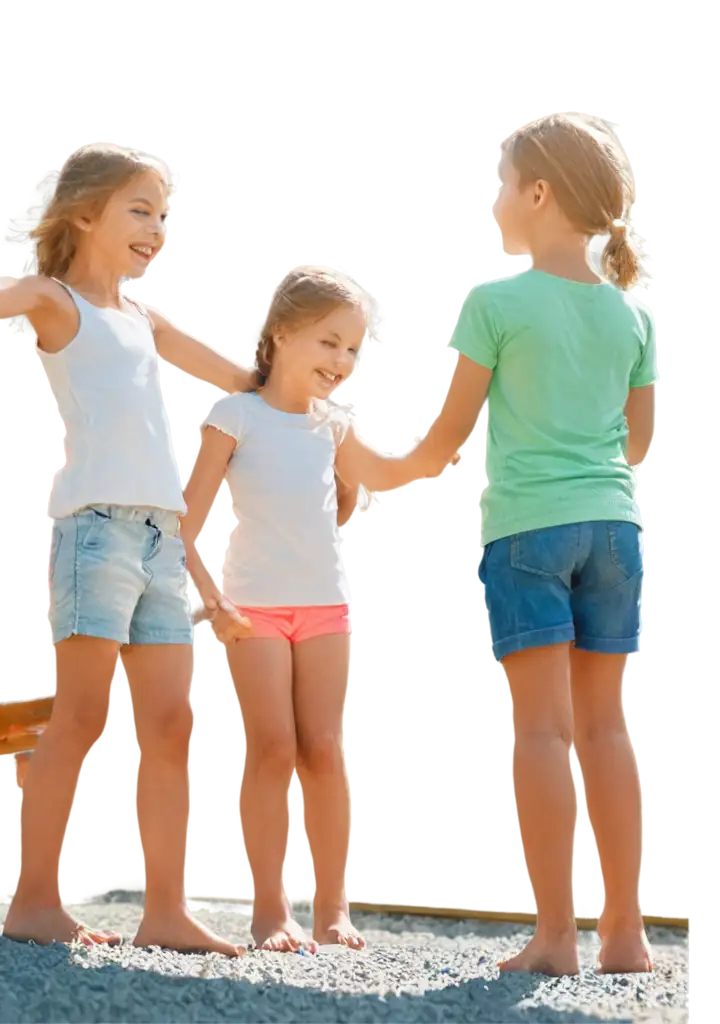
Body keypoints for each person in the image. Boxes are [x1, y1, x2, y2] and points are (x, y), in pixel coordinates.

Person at [0, 144, 258, 956]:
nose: (157, 229)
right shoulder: (55, 299)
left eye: (162, 215)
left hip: (159, 535)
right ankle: (34, 902)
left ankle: (165, 912)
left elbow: (240, 376)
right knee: (81, 717)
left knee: (170, 723)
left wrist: (310, 372)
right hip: (95, 529)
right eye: (141, 210)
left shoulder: (144, 318)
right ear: (84, 214)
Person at [373, 113, 657, 976]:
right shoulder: (632, 314)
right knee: (606, 730)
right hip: (616, 526)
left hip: (528, 531)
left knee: (543, 734)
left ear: (538, 195)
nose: (500, 199)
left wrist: (381, 473)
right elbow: (635, 443)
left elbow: (448, 438)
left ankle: (556, 939)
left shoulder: (493, 304)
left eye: (506, 184)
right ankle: (627, 935)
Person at [181, 266, 439, 953]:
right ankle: (271, 913)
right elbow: (191, 518)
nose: (341, 362)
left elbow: (382, 473)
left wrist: (448, 441)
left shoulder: (333, 427)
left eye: (352, 350)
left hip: (325, 606)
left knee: (324, 750)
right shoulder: (234, 416)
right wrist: (211, 601)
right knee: (272, 750)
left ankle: (333, 912)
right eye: (329, 343)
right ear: (282, 335)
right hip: (252, 610)